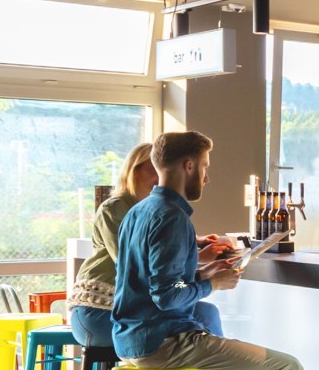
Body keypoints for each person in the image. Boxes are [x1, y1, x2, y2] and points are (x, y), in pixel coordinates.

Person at [112, 131, 303, 370]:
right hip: (164, 341)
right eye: (204, 167)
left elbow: (154, 280)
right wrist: (210, 284)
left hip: (131, 338)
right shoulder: (172, 217)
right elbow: (167, 295)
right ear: (188, 166)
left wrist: (202, 270)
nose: (207, 176)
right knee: (288, 368)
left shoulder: (139, 212)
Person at [67, 142, 232, 348]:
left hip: (132, 311)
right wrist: (199, 260)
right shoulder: (115, 207)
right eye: (154, 168)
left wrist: (194, 246)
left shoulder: (155, 210)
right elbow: (134, 263)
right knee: (202, 314)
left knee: (204, 312)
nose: (162, 176)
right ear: (133, 170)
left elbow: (159, 269)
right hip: (99, 309)